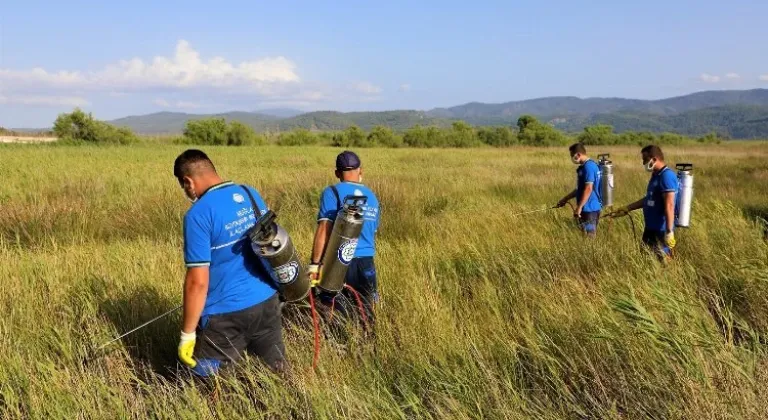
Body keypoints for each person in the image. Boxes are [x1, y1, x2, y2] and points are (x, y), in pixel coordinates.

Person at [174, 149, 285, 376]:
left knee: (203, 384)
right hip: (267, 303)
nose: (187, 192)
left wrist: (187, 335)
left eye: (184, 186)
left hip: (225, 316)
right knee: (277, 374)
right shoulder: (249, 193)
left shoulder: (197, 215)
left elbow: (197, 282)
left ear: (188, 181)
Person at [308, 150, 380, 325]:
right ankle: (369, 348)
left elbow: (324, 229)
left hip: (340, 262)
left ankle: (339, 349)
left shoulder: (332, 192)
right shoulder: (372, 197)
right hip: (367, 263)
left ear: (337, 173)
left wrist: (315, 265)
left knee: (336, 314)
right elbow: (373, 230)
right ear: (360, 171)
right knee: (366, 312)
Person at [611, 145, 679, 259]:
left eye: (645, 160)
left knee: (663, 263)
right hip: (650, 228)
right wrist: (627, 208)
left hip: (661, 230)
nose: (643, 163)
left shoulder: (667, 176)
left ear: (654, 159)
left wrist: (669, 232)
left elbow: (670, 205)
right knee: (645, 260)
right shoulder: (655, 175)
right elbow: (648, 199)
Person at [556, 143, 603, 236]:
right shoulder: (587, 166)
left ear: (578, 154)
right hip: (588, 208)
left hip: (590, 209)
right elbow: (580, 189)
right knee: (584, 235)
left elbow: (588, 188)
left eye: (571, 156)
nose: (571, 158)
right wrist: (565, 199)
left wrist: (579, 207)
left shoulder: (588, 167)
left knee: (589, 236)